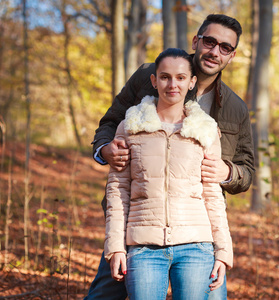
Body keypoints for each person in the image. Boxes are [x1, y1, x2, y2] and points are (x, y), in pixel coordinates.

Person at [85, 14, 254, 300]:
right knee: (105, 293)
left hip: (196, 227)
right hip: (140, 220)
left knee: (213, 295)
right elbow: (110, 123)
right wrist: (105, 150)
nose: (215, 51)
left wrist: (227, 173)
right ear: (196, 40)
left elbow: (247, 169)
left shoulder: (235, 109)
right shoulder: (149, 75)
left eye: (225, 47)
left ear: (232, 55)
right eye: (210, 41)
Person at [104, 48, 233, 300]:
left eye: (181, 77)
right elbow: (118, 192)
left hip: (196, 246)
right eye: (165, 77)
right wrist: (116, 248)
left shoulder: (205, 130)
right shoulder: (130, 127)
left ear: (191, 82)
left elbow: (212, 195)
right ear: (154, 80)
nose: (172, 84)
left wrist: (223, 250)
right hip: (143, 248)